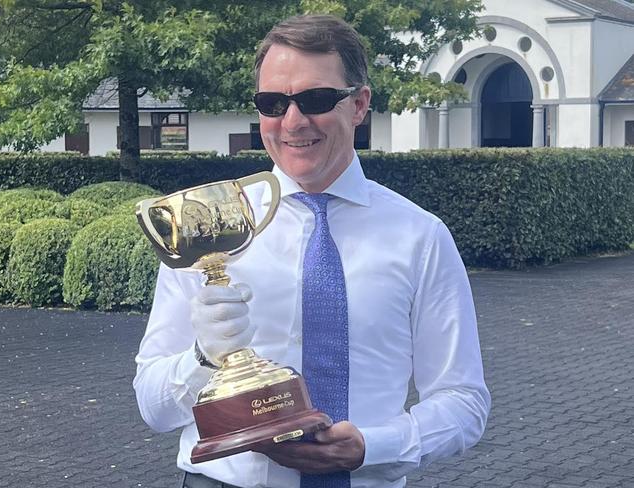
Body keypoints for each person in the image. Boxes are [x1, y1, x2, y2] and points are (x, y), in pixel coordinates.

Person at [134, 14, 490, 488]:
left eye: (317, 99)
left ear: (359, 103)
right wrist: (203, 357)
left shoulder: (420, 236)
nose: (293, 121)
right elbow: (153, 407)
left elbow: (463, 400)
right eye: (273, 102)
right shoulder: (207, 226)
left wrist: (373, 445)